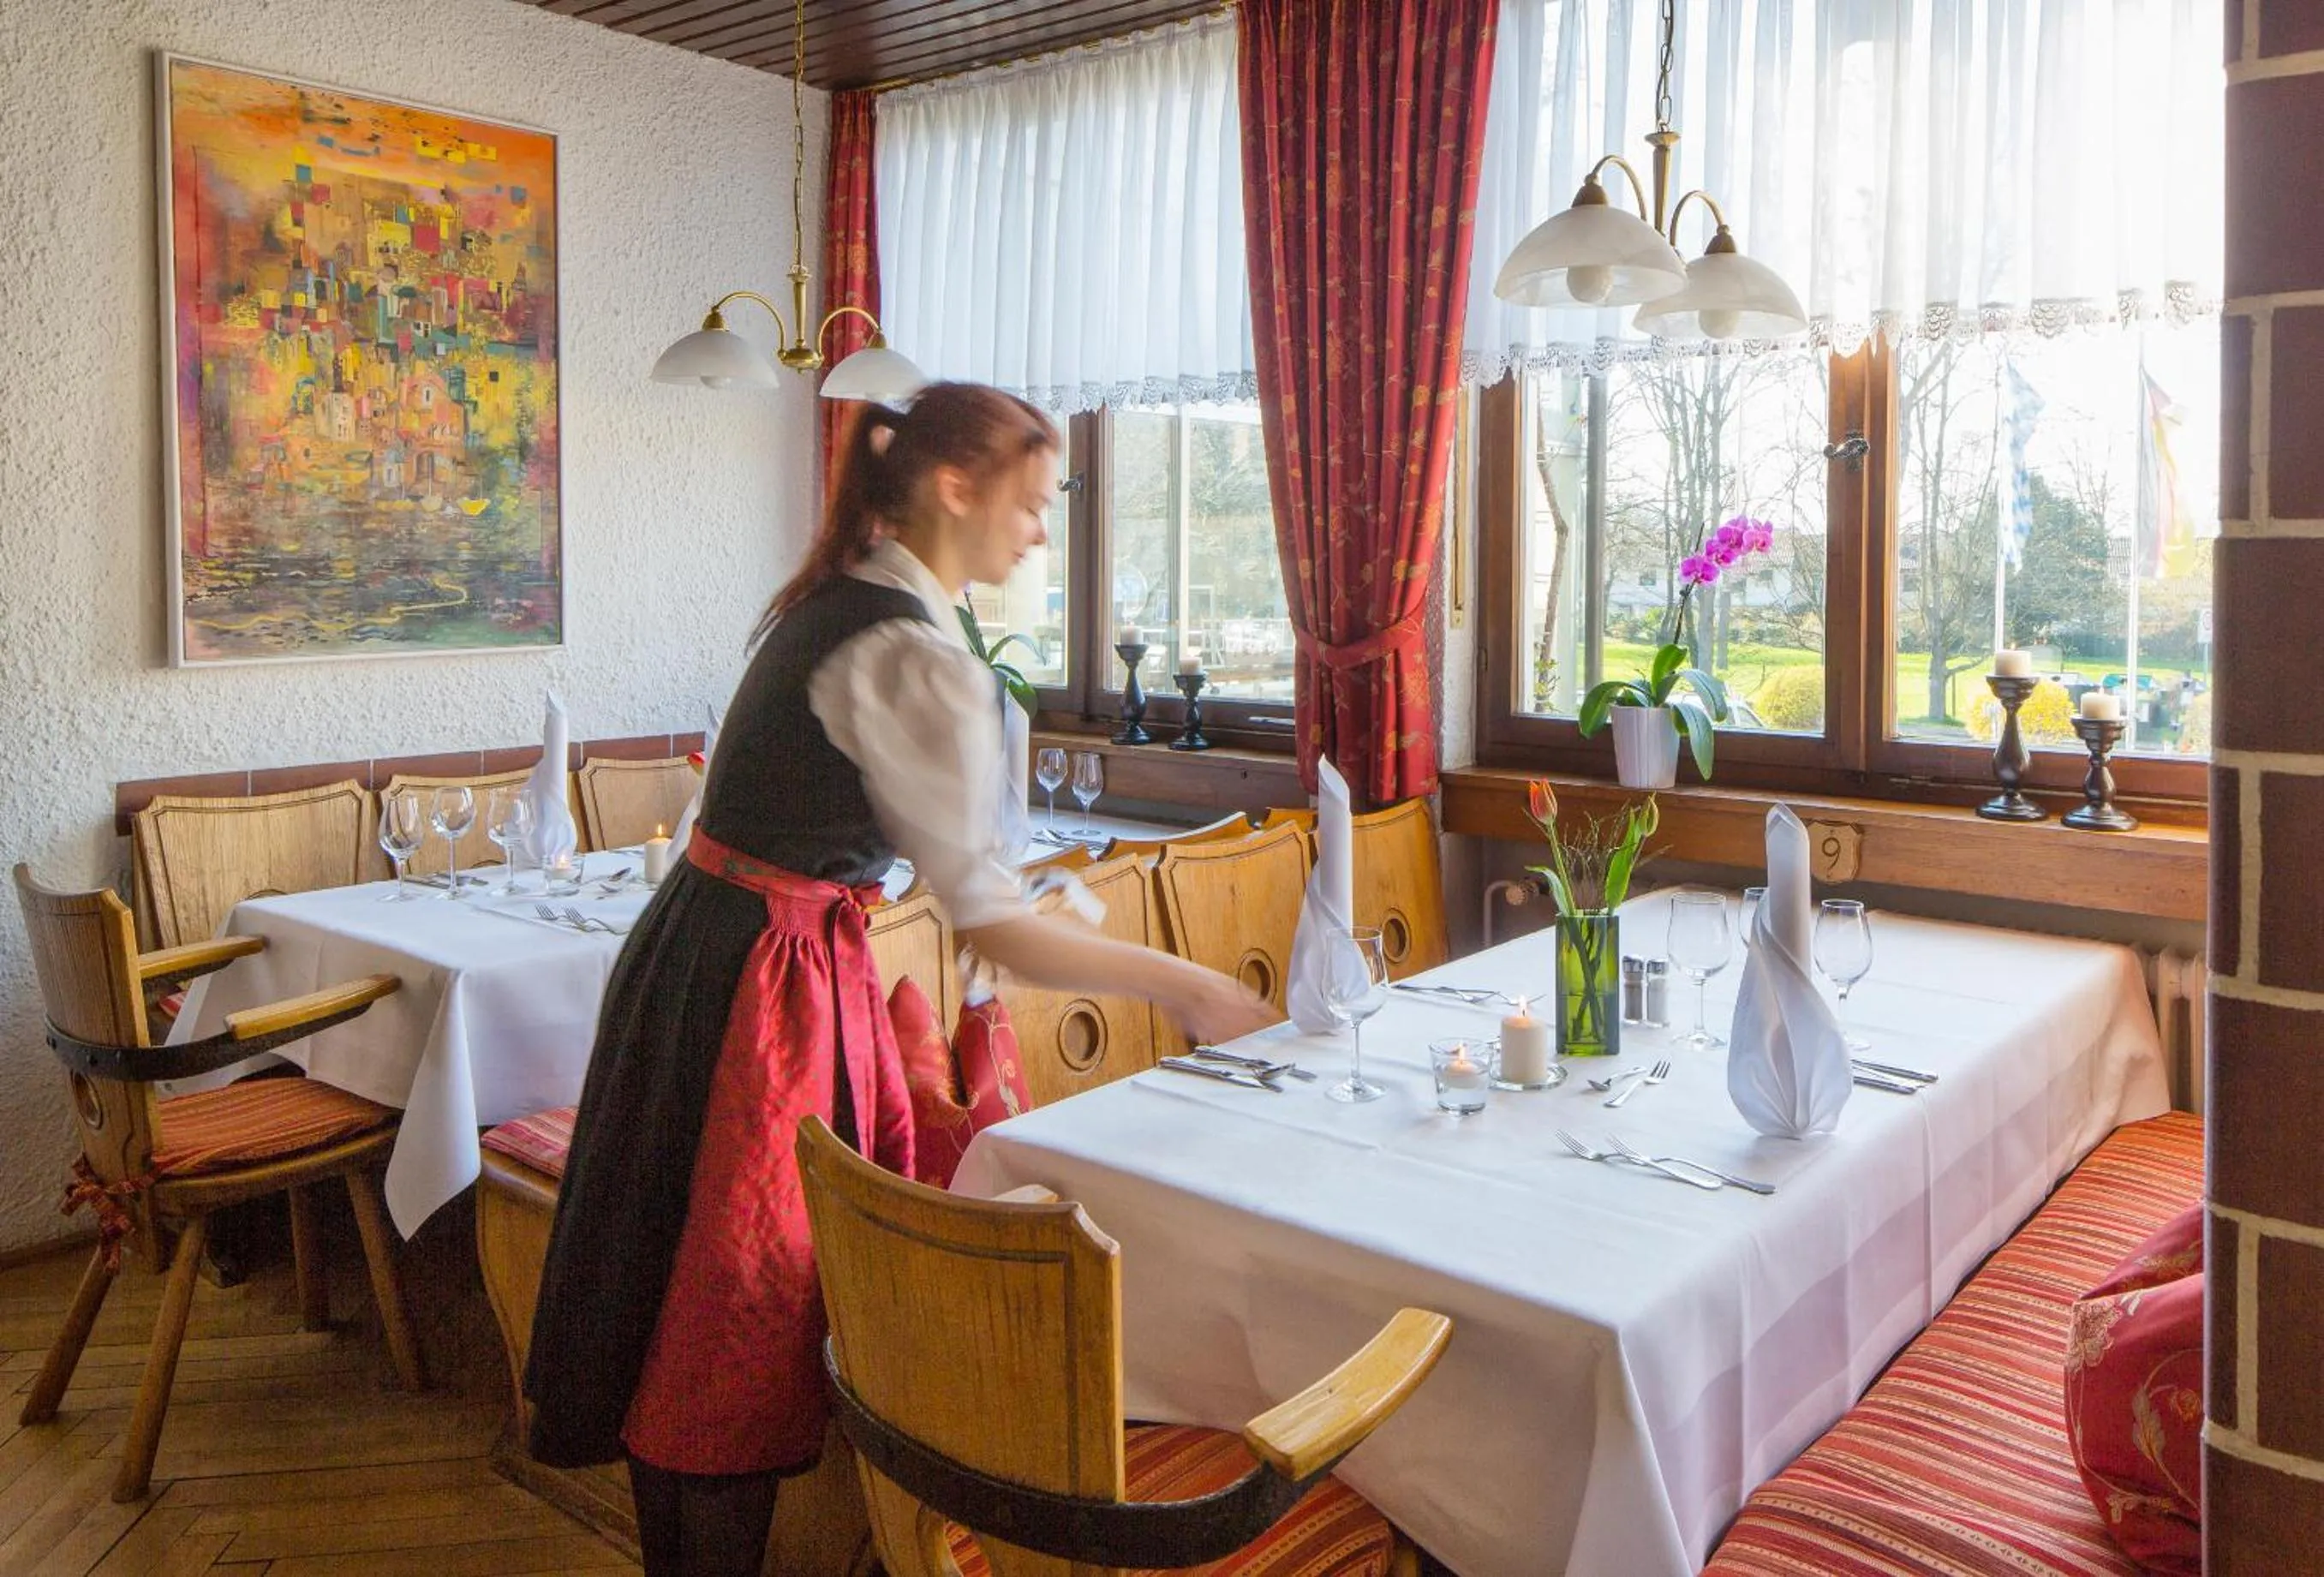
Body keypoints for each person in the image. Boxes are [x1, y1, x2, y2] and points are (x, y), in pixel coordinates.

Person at [523, 382, 1274, 1577]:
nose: (1040, 531)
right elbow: (994, 925)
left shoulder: (841, 602)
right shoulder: (913, 653)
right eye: (1030, 504)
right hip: (762, 991)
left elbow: (951, 880)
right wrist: (1193, 990)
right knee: (730, 1316)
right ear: (954, 489)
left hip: (705, 953)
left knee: (682, 1293)